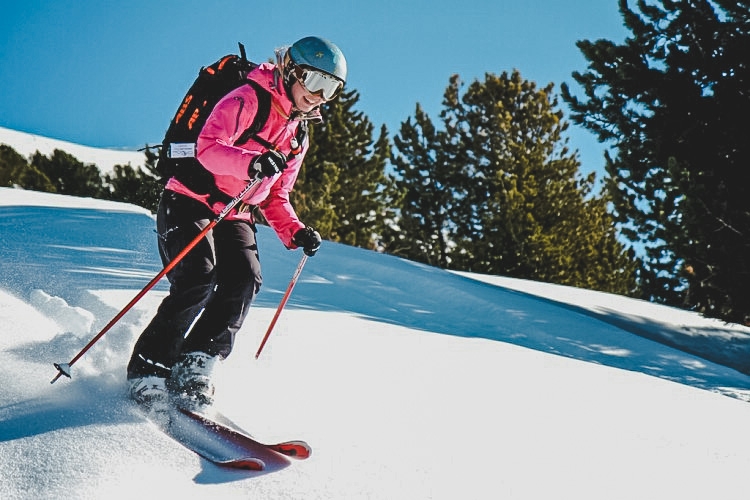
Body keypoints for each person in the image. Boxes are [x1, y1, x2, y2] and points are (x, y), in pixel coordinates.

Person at [127, 36, 347, 409]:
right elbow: (208, 147)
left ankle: (196, 362)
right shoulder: (247, 98)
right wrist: (251, 162)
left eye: (331, 88)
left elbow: (276, 196)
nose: (319, 95)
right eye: (314, 82)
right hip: (189, 199)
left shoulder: (298, 136)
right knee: (198, 277)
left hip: (235, 212)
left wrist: (296, 231)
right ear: (291, 70)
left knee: (245, 278)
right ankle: (148, 368)